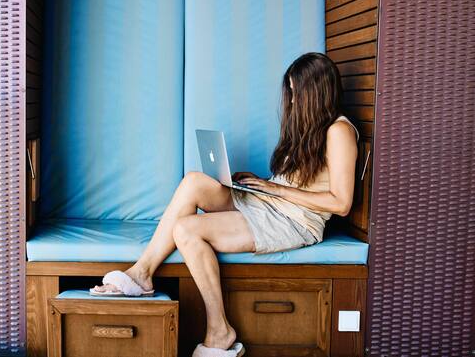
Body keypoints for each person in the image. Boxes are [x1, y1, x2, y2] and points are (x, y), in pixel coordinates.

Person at [90, 52, 359, 357]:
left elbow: (341, 202)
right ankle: (142, 272)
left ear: (317, 93)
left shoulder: (339, 131)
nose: (294, 103)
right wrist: (262, 184)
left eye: (299, 95)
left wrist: (276, 190)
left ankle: (220, 329)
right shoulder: (310, 129)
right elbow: (300, 182)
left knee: (187, 230)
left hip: (293, 221)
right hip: (269, 204)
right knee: (194, 181)